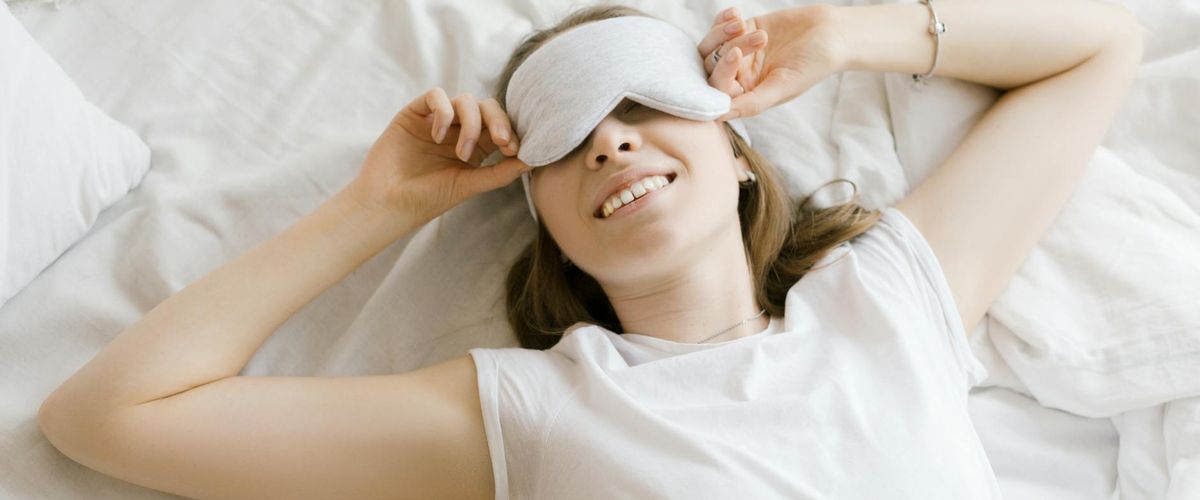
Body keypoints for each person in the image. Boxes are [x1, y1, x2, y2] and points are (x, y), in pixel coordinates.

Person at [37, 1, 1142, 499]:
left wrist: (847, 35)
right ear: (546, 222)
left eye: (646, 104)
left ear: (741, 151)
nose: (611, 138)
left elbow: (1102, 39)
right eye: (565, 138)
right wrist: (378, 207)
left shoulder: (888, 295)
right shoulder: (544, 410)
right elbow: (105, 416)